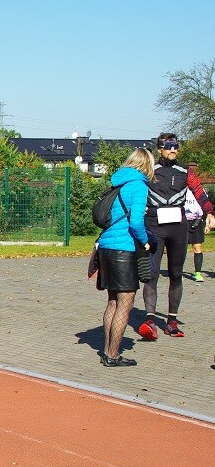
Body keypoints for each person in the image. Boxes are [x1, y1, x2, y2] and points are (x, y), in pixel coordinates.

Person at [137, 134, 215, 339]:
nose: (173, 150)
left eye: (176, 146)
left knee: (176, 273)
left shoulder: (185, 172)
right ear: (160, 149)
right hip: (154, 225)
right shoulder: (149, 170)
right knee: (151, 273)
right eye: (168, 146)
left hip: (178, 226)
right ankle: (150, 320)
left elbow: (199, 193)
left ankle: (171, 322)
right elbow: (134, 192)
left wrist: (209, 212)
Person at [96, 148, 154, 366]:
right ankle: (113, 354)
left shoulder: (118, 183)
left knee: (112, 301)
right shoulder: (139, 186)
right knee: (125, 304)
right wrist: (145, 241)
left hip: (106, 246)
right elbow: (137, 221)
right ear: (146, 165)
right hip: (124, 249)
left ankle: (106, 350)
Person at [185, 163, 205, 282]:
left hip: (196, 221)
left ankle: (198, 273)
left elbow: (204, 205)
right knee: (180, 249)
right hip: (183, 221)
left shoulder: (199, 190)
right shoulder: (181, 190)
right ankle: (177, 273)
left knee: (197, 247)